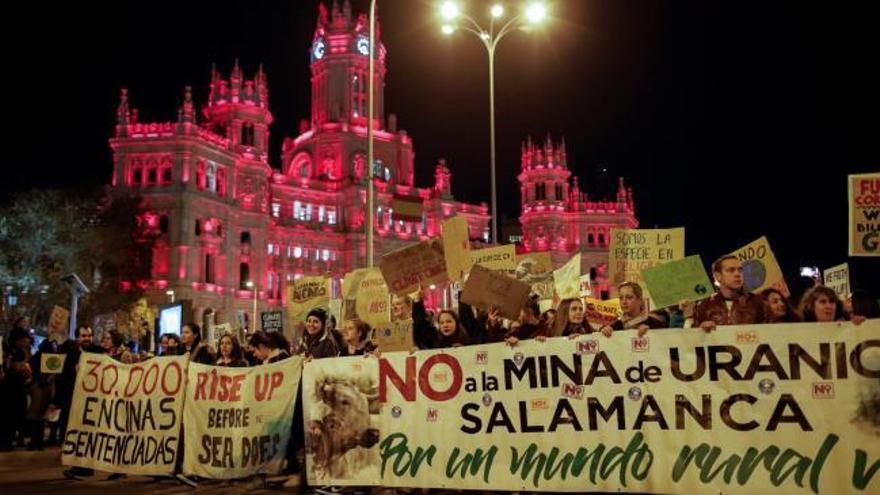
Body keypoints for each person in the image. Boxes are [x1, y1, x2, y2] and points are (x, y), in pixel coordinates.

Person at [692, 255, 771, 332]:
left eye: (740, 270)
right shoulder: (704, 305)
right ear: (718, 276)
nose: (737, 274)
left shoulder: (759, 302)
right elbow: (691, 338)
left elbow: (770, 334)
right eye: (731, 270)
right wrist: (701, 330)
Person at [1, 322, 33, 450]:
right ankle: (7, 441)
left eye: (27, 340)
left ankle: (16, 438)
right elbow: (9, 366)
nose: (26, 343)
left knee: (18, 415)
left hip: (19, 389)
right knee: (9, 417)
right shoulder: (12, 352)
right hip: (9, 389)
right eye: (23, 340)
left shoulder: (23, 351)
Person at [601, 282, 665, 336]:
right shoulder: (615, 326)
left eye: (629, 297)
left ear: (639, 300)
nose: (624, 302)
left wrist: (650, 332)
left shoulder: (655, 324)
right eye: (621, 298)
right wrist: (604, 331)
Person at [799, 286, 867, 324]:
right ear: (811, 307)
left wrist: (862, 328)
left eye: (832, 302)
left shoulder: (847, 327)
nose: (828, 306)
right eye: (823, 302)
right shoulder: (800, 332)